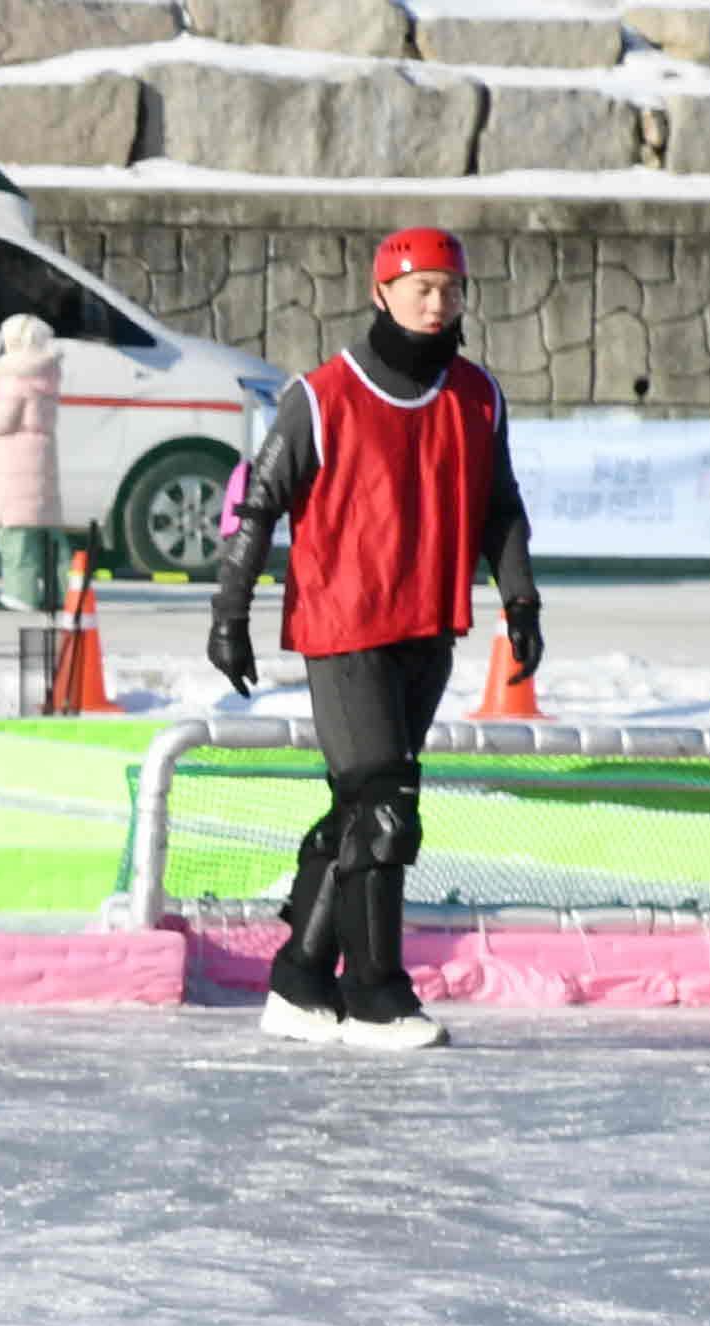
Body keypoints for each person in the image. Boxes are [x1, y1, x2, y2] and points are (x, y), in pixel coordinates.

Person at [208, 224, 536, 1056]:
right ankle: (376, 994)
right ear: (380, 292)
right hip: (344, 623)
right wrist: (229, 611)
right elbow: (258, 503)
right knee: (386, 805)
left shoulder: (477, 394)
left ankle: (300, 979)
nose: (438, 302)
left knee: (361, 806)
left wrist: (521, 600)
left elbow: (499, 506)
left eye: (451, 288)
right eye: (422, 287)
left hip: (429, 623)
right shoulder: (322, 395)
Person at [0, 311, 62, 614]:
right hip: (39, 460)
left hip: (14, 466)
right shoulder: (46, 373)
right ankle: (62, 591)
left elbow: (1, 423)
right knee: (45, 534)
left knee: (15, 537)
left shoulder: (15, 377)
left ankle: (19, 595)